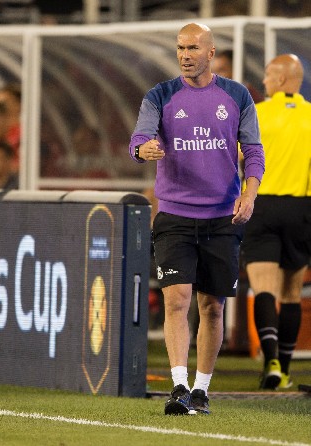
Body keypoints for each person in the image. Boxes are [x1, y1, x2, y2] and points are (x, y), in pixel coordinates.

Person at [129, 23, 264, 415]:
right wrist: (145, 149)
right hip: (174, 214)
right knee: (177, 300)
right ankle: (178, 386)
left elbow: (254, 151)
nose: (185, 54)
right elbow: (138, 140)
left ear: (211, 52)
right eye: (180, 48)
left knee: (212, 307)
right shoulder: (160, 95)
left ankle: (202, 390)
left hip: (223, 216)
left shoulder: (236, 95)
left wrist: (249, 193)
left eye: (192, 47)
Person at [242, 54, 311, 390]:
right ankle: (284, 368)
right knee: (292, 294)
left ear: (283, 79)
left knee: (263, 288)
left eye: (269, 75)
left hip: (262, 205)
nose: (265, 81)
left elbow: (237, 155)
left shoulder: (257, 113)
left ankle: (269, 361)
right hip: (302, 208)